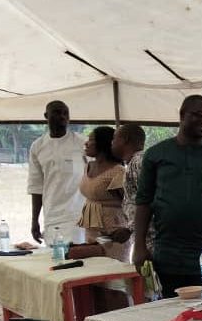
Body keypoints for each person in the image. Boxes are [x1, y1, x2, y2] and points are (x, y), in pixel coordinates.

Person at [133, 95, 202, 298]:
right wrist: (139, 246)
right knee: (172, 310)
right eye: (199, 115)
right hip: (169, 255)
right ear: (182, 115)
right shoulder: (156, 155)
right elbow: (143, 202)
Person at [28, 100, 86, 244]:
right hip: (52, 216)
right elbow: (36, 186)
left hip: (79, 215)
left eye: (66, 113)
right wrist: (34, 220)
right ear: (46, 116)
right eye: (57, 112)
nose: (62, 116)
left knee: (78, 255)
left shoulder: (82, 143)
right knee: (55, 255)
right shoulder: (37, 146)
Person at [77, 127, 130, 261]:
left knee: (112, 271)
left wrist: (129, 229)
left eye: (91, 140)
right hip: (91, 230)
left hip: (113, 233)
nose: (86, 143)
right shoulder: (88, 166)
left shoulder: (118, 171)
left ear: (102, 143)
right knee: (92, 268)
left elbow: (130, 203)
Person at [110, 123, 148, 248]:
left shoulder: (138, 162)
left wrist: (131, 228)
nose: (112, 143)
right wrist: (129, 229)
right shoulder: (135, 162)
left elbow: (149, 200)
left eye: (114, 138)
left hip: (150, 239)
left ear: (124, 139)